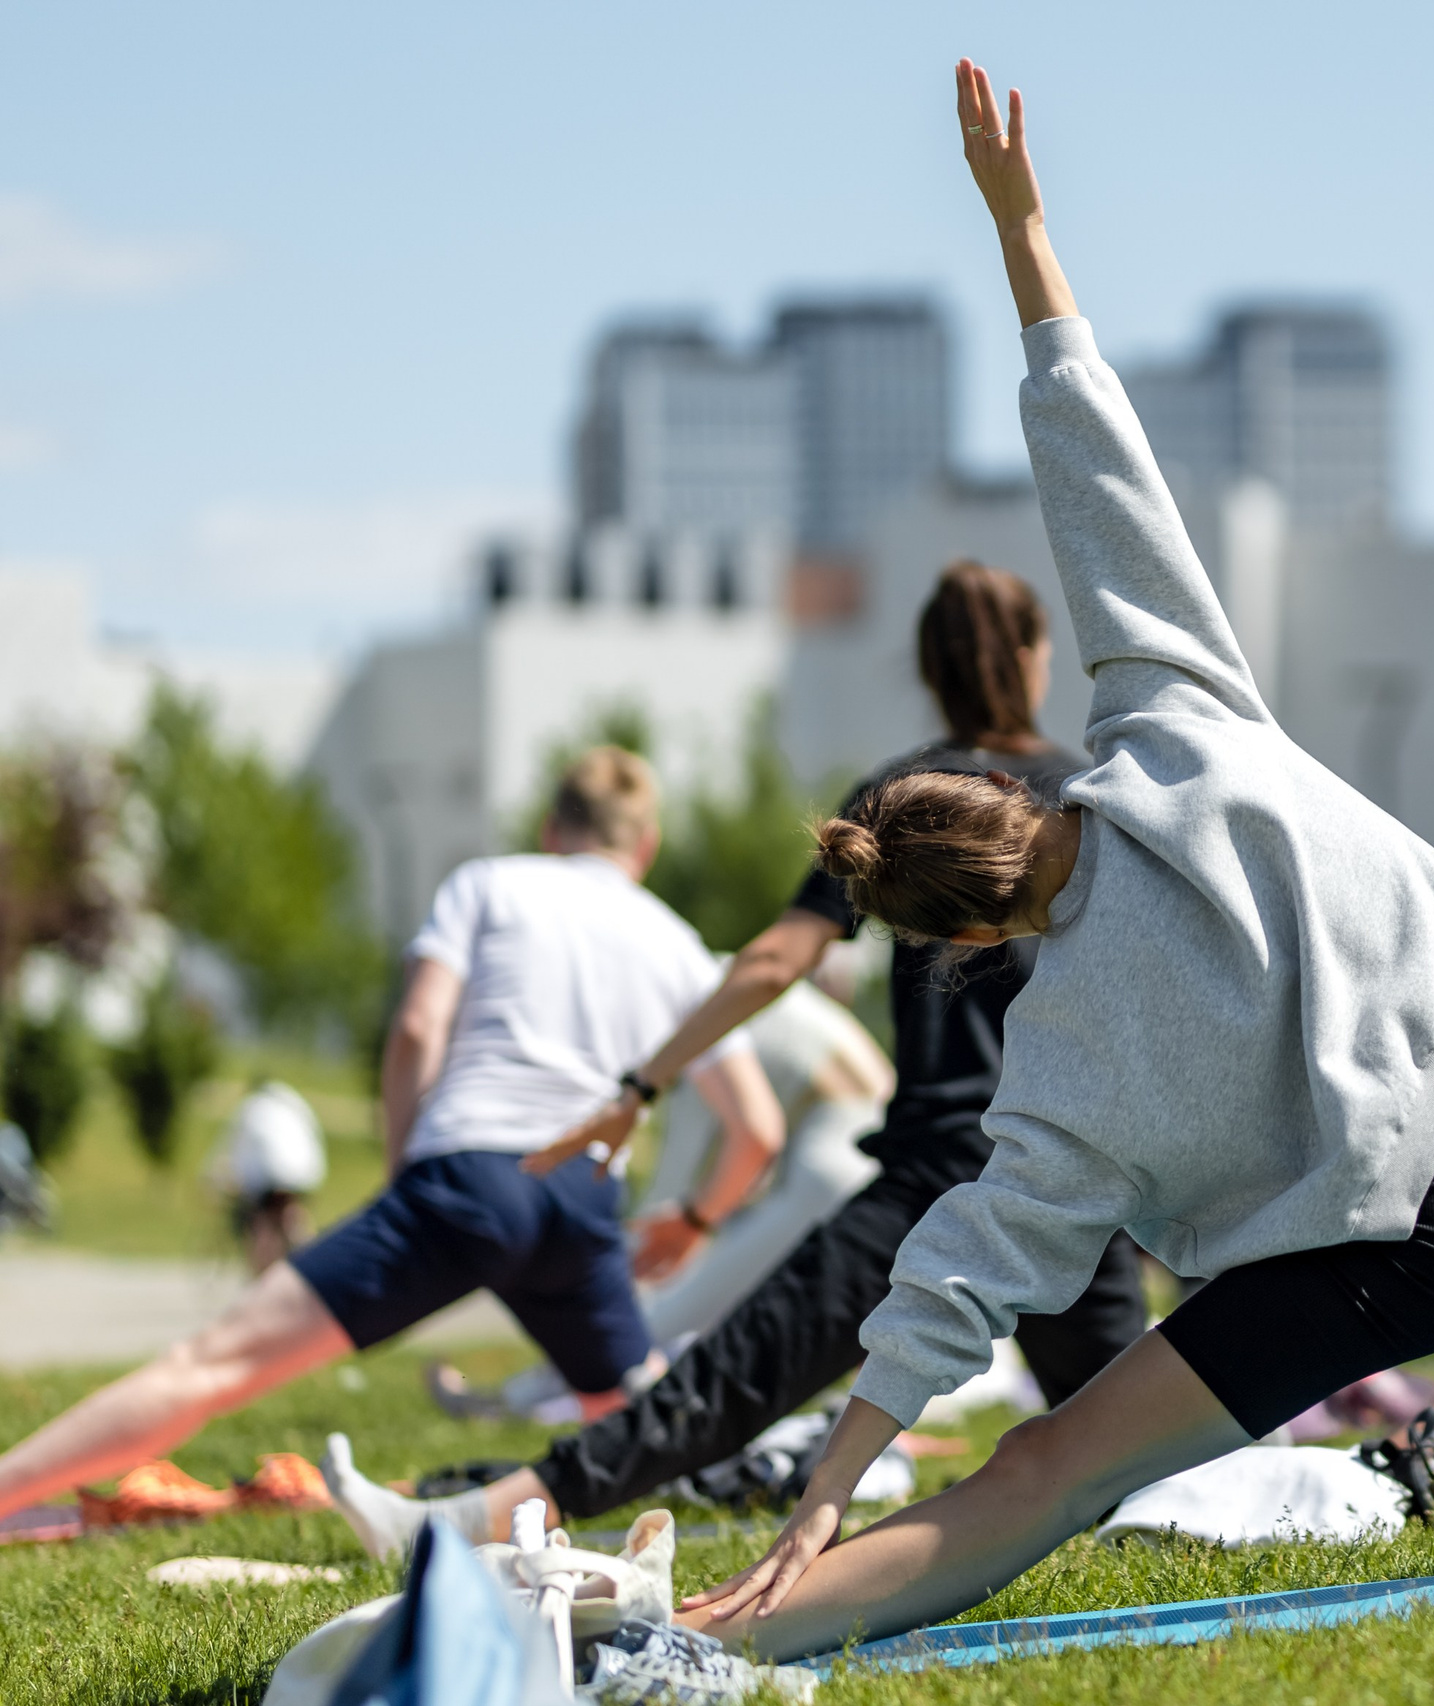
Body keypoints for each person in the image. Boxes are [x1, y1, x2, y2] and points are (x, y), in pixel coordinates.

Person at [605, 63, 1434, 1657]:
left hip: (1418, 1227)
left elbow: (962, 1269)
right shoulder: (1174, 719)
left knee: (1046, 1468)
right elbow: (1104, 482)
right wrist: (1023, 228)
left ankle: (715, 1646)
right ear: (1004, 786)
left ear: (958, 943)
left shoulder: (1063, 1050)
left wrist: (838, 1474)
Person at [323, 557, 1151, 1556]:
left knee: (731, 1380)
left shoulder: (905, 797)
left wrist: (642, 1083)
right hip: (1064, 1167)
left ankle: (465, 1519)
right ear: (1035, 655)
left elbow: (772, 959)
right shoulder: (1080, 800)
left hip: (944, 1171)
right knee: (1145, 1441)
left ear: (927, 668)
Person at [0, 748, 786, 1523]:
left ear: (552, 826)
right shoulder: (674, 940)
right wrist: (696, 1220)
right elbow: (758, 1128)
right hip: (582, 1204)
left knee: (211, 1365)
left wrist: (406, 1166)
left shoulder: (489, 882)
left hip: (467, 1175)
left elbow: (415, 1028)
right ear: (644, 845)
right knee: (630, 1424)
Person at [427, 979, 895, 1422]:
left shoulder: (701, 1029)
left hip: (830, 1174)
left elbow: (669, 1196)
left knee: (667, 1314)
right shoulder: (712, 987)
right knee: (699, 1309)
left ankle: (516, 1401)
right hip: (854, 1161)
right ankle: (536, 1396)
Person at [207, 1078, 328, 1274]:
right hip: (305, 1170)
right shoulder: (292, 1102)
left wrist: (213, 1176)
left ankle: (262, 1273)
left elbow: (230, 1146)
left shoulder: (252, 1107)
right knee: (290, 1214)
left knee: (260, 1219)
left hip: (273, 1172)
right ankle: (313, 1261)